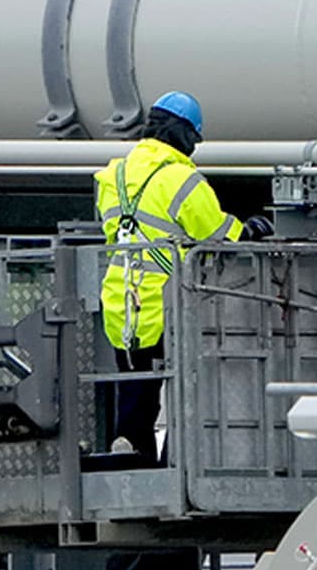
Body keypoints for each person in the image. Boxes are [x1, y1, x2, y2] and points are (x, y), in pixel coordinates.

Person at [93, 91, 272, 459]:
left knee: (136, 389)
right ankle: (177, 460)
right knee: (186, 388)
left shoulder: (114, 175)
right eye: (194, 138)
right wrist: (251, 228)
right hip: (167, 301)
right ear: (182, 132)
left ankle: (131, 454)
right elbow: (218, 233)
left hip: (120, 300)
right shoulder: (182, 180)